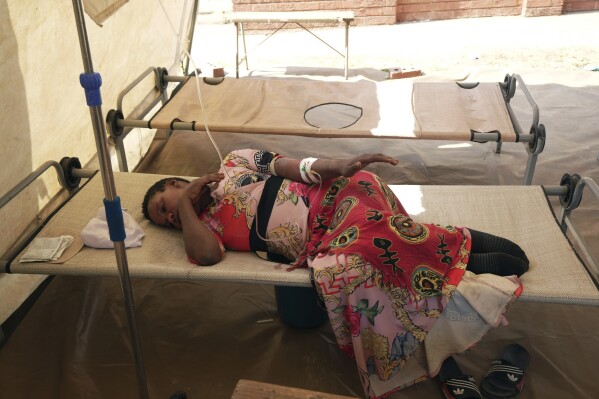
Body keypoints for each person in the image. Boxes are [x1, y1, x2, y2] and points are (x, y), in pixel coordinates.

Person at [142, 149, 528, 398]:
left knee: (365, 239)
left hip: (336, 196)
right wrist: (189, 208)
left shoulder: (234, 164)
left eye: (165, 204)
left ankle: (462, 248)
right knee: (348, 268)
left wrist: (338, 166)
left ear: (177, 183)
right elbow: (207, 257)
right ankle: (459, 246)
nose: (169, 216)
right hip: (326, 237)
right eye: (164, 219)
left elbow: (296, 167)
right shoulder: (203, 231)